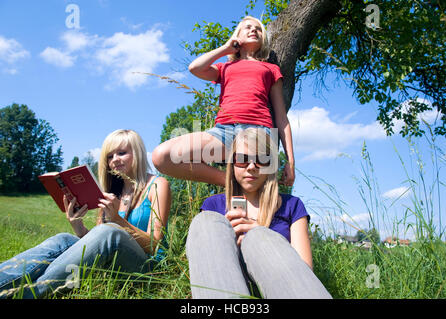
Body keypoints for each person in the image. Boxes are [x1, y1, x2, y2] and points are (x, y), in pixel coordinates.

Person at [0, 129, 171, 299]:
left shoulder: (157, 185)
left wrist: (118, 221)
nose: (115, 160)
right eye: (109, 156)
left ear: (138, 153)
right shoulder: (110, 193)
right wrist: (78, 225)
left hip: (147, 270)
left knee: (109, 231)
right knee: (64, 239)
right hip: (112, 266)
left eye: (121, 153)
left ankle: (28, 295)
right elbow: (98, 245)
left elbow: (154, 245)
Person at [186, 128, 331, 299]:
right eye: (242, 160)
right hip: (227, 283)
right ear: (232, 164)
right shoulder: (213, 205)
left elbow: (305, 272)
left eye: (261, 160)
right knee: (206, 222)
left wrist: (260, 234)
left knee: (258, 237)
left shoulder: (292, 206)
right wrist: (226, 239)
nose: (251, 167)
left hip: (283, 286)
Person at [152, 16, 295, 187]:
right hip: (223, 132)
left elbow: (281, 117)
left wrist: (290, 161)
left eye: (258, 29)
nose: (253, 30)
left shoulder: (270, 69)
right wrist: (225, 49)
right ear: (237, 36)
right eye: (248, 27)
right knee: (162, 156)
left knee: (255, 191)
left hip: (257, 131)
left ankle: (247, 187)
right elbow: (194, 68)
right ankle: (231, 182)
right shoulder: (225, 67)